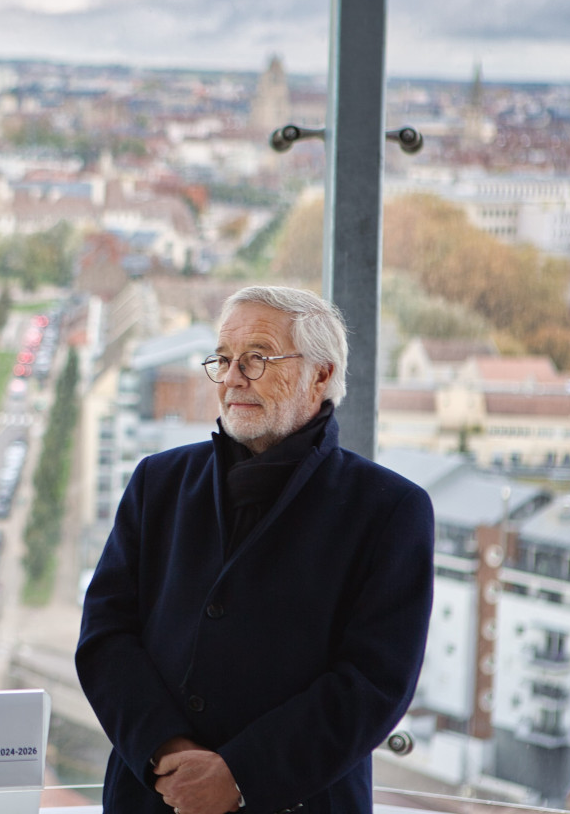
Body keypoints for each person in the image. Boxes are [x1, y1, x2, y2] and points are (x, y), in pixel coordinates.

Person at [76, 286, 433, 814]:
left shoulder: (389, 509)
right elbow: (105, 637)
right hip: (155, 794)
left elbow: (372, 685)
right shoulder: (159, 481)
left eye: (258, 358)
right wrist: (169, 753)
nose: (233, 378)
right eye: (223, 360)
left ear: (321, 374)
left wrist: (241, 776)